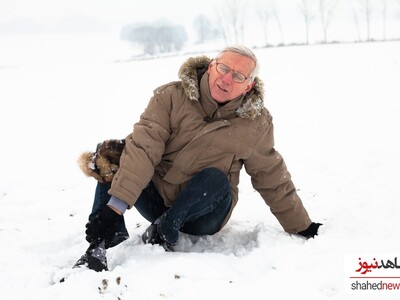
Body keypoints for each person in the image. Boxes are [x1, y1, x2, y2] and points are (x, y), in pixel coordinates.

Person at [74, 45, 322, 272]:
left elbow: (270, 174)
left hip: (204, 212)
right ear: (212, 65)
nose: (226, 79)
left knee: (215, 178)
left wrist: (302, 225)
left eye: (238, 76)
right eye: (224, 68)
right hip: (157, 199)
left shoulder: (256, 123)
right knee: (116, 154)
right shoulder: (171, 97)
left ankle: (164, 230)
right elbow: (143, 149)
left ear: (249, 85)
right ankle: (99, 244)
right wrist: (114, 209)